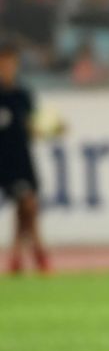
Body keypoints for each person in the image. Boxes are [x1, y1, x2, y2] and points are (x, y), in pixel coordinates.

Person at [0, 40, 49, 274]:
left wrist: (50, 129)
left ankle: (18, 256)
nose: (7, 68)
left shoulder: (22, 95)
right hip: (3, 159)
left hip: (21, 158)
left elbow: (31, 127)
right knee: (27, 205)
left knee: (26, 207)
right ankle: (37, 251)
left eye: (10, 63)